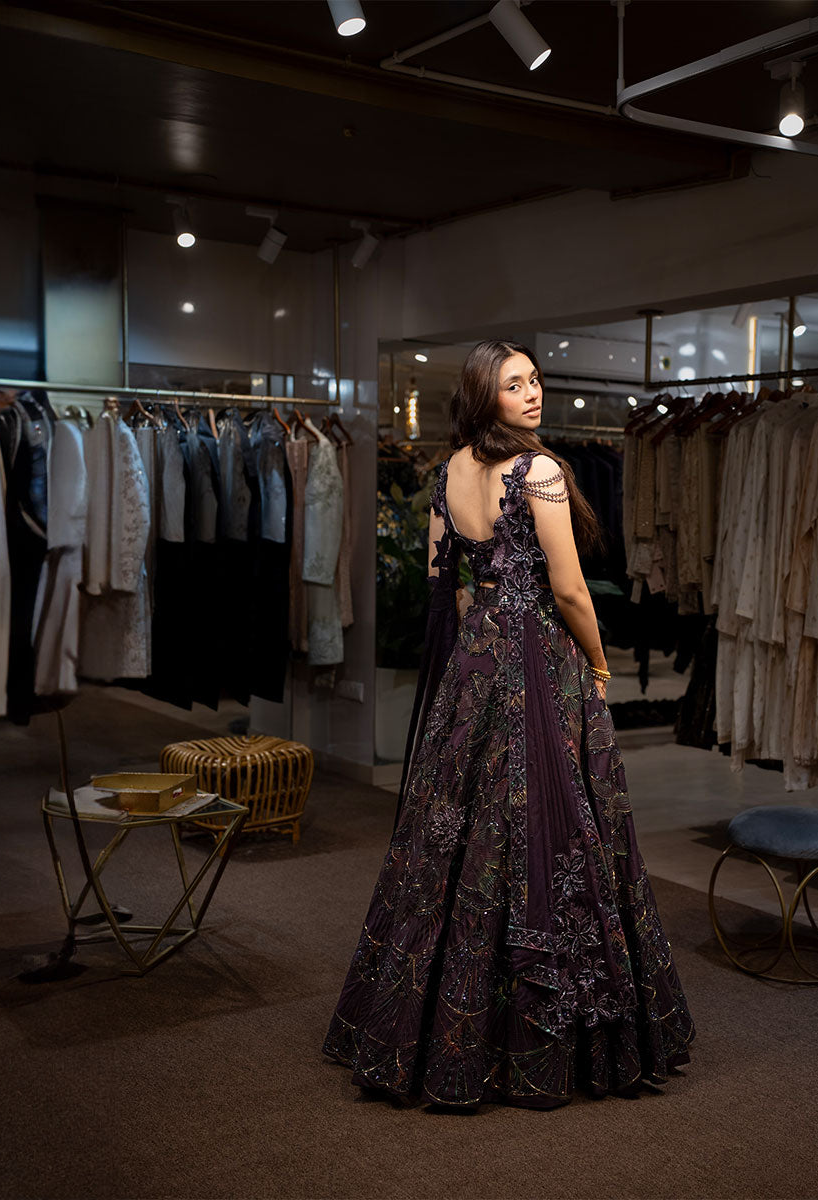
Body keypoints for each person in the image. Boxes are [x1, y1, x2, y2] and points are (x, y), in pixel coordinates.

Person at [323, 339, 695, 1108]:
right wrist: (599, 666)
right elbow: (571, 591)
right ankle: (543, 1034)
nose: (532, 392)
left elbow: (449, 584)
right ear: (483, 395)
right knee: (552, 825)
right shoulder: (540, 471)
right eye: (513, 384)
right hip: (537, 660)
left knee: (461, 832)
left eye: (535, 379)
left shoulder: (449, 472)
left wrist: (477, 646)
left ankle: (432, 1027)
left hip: (477, 660)